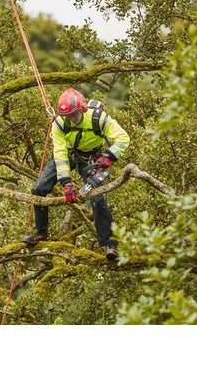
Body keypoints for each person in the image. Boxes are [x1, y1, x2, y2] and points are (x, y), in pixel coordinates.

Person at [23, 88, 130, 260]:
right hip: (70, 154)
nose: (71, 119)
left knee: (98, 198)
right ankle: (41, 232)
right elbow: (59, 153)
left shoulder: (98, 118)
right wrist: (66, 182)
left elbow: (123, 138)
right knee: (39, 189)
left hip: (92, 158)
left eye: (74, 114)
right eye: (68, 116)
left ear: (82, 109)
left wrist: (108, 156)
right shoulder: (59, 124)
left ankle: (111, 245)